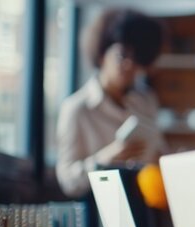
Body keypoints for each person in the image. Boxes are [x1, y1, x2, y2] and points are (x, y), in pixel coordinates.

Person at [57, 8, 167, 197]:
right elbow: (68, 181)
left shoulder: (146, 101)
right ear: (101, 53)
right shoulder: (76, 109)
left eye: (137, 59)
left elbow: (158, 153)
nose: (129, 65)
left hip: (142, 201)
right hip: (97, 207)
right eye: (122, 55)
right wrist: (104, 159)